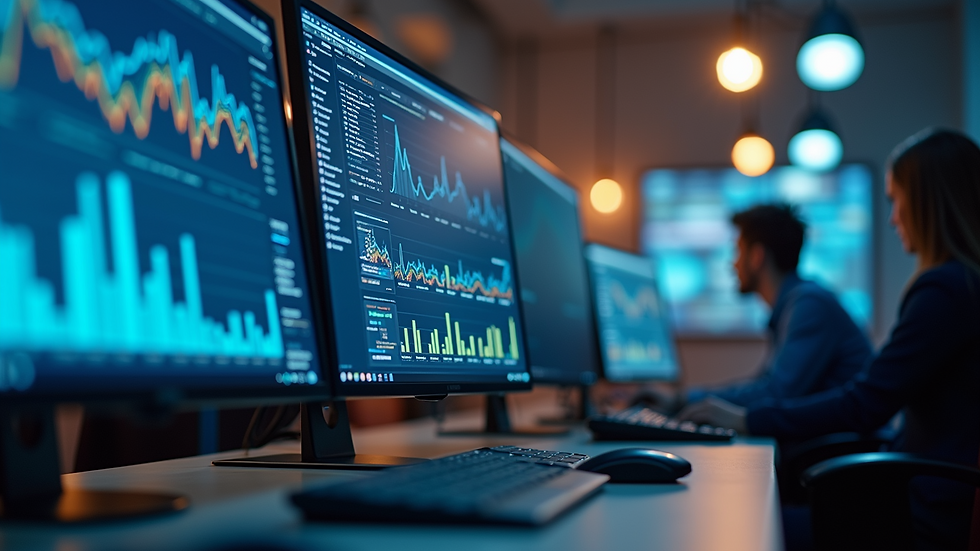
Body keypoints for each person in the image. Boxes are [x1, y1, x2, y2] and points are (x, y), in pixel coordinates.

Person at [678, 128, 980, 551]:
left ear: (930, 202)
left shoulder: (944, 292)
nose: (893, 217)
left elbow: (864, 403)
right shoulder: (961, 286)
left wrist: (741, 418)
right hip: (919, 493)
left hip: (923, 513)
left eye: (896, 200)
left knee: (724, 527)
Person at [642, 204, 873, 413]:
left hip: (836, 449)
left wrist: (685, 400)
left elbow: (776, 394)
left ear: (757, 256)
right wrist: (690, 400)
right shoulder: (799, 303)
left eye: (737, 251)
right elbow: (765, 387)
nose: (732, 263)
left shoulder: (809, 306)